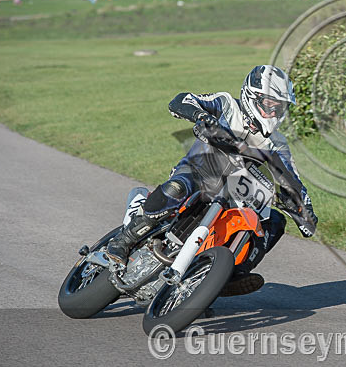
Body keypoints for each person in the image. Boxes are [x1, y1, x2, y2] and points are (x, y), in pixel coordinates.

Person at [106, 65, 318, 296]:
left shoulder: (277, 142)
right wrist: (201, 116)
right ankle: (124, 240)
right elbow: (182, 100)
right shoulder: (227, 104)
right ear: (252, 96)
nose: (274, 112)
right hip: (198, 171)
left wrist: (303, 210)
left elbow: (292, 179)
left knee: (274, 222)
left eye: (280, 107)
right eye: (270, 105)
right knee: (176, 189)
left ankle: (227, 276)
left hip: (236, 191)